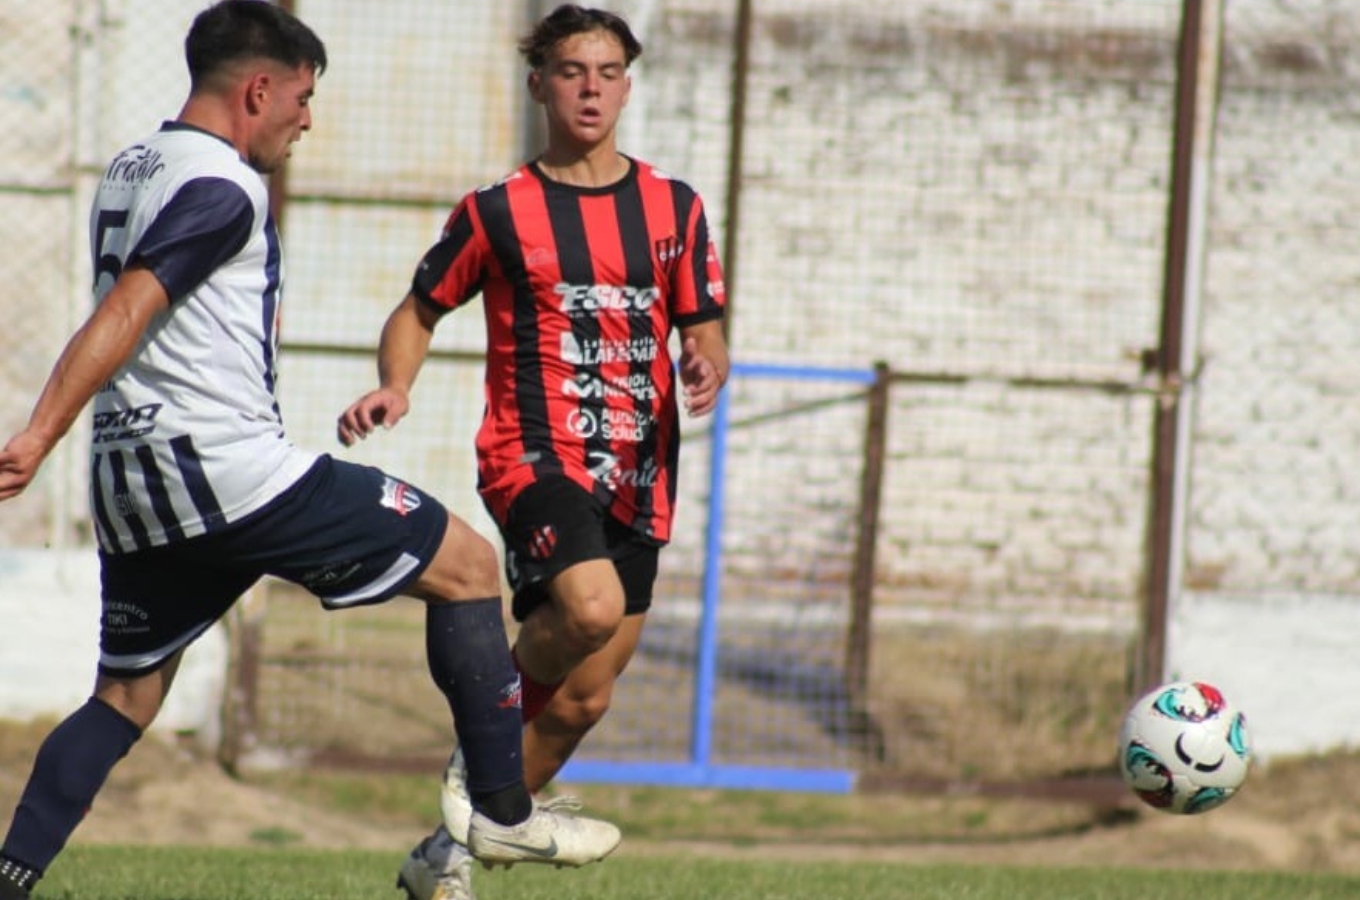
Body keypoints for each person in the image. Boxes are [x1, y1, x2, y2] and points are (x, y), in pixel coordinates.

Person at [0, 4, 620, 898]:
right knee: (468, 565)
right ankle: (501, 812)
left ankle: (12, 876)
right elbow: (128, 308)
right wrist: (36, 432)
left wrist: (65, 438)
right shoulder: (223, 185)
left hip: (133, 479)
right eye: (303, 95)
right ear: (259, 89)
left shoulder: (134, 165)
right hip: (223, 469)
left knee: (124, 700)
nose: (307, 118)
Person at [336, 5, 730, 898]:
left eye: (607, 72)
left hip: (641, 474)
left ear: (627, 83)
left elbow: (705, 326)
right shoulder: (497, 211)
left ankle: (453, 851)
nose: (590, 88)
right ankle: (481, 747)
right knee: (585, 610)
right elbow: (420, 308)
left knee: (587, 695)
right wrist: (397, 384)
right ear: (539, 84)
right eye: (570, 71)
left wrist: (706, 361)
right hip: (535, 459)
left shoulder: (676, 207)